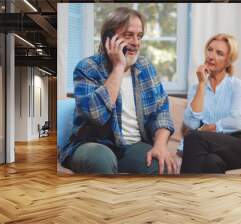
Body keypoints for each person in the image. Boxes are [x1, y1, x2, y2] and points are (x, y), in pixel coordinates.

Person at [59, 7, 177, 175]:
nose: (136, 43)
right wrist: (119, 66)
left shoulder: (146, 68)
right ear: (109, 38)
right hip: (92, 145)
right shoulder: (87, 68)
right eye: (129, 35)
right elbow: (96, 115)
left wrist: (160, 145)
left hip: (131, 146)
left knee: (160, 164)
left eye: (140, 36)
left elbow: (161, 112)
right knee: (102, 159)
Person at [180, 33, 241, 174]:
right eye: (210, 50)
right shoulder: (195, 89)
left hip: (239, 144)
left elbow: (237, 121)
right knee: (211, 162)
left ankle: (183, 191)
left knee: (193, 137)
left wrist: (210, 128)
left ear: (228, 61)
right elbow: (191, 123)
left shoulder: (237, 85)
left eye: (219, 53)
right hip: (210, 147)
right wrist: (202, 84)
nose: (211, 56)